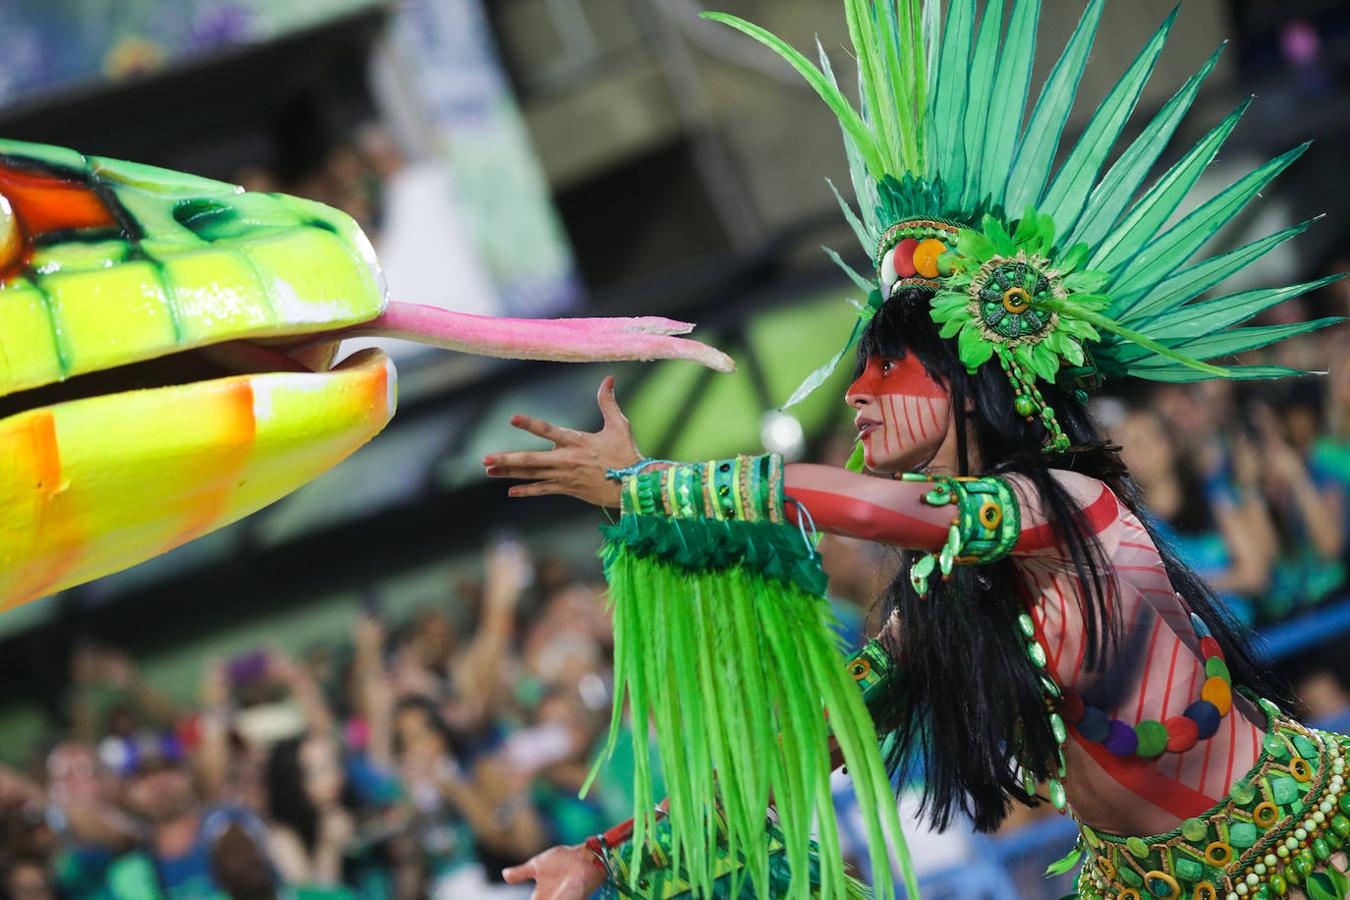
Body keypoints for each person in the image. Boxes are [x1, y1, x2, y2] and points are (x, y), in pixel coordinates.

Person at [480, 1, 1346, 897]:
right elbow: (804, 745)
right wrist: (609, 854)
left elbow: (865, 506)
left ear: (972, 377)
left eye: (884, 367)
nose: (855, 393)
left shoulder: (1062, 503)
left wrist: (651, 487)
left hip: (1299, 853)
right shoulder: (940, 595)